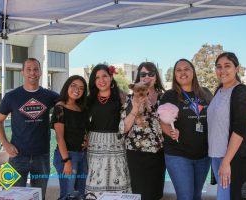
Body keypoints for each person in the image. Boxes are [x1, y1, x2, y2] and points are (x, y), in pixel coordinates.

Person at [0, 58, 59, 200]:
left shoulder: (50, 96)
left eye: (36, 69)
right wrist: (5, 144)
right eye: (28, 69)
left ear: (41, 72)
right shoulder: (11, 96)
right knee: (10, 196)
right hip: (16, 156)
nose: (32, 73)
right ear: (22, 72)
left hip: (42, 157)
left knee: (39, 196)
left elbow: (70, 104)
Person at [207, 52, 246, 200]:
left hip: (232, 158)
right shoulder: (219, 90)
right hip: (217, 155)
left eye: (227, 66)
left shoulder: (241, 91)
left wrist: (226, 162)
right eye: (219, 67)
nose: (222, 70)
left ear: (237, 68)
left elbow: (240, 130)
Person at [159, 59, 212, 200]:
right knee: (186, 197)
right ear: (175, 75)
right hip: (178, 154)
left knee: (196, 196)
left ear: (193, 72)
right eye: (178, 70)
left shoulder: (205, 93)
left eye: (186, 69)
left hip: (203, 155)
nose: (183, 72)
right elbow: (162, 121)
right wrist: (170, 132)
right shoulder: (170, 95)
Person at [119, 62, 166, 200]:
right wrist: (134, 109)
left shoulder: (165, 98)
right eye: (143, 74)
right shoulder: (129, 99)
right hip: (136, 153)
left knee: (155, 193)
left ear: (156, 77)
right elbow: (123, 128)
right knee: (139, 194)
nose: (147, 77)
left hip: (159, 154)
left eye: (151, 74)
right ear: (138, 77)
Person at [85, 64, 131, 198]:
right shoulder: (89, 99)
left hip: (116, 144)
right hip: (94, 144)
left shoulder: (122, 97)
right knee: (96, 179)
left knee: (118, 177)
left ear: (111, 77)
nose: (101, 80)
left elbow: (129, 121)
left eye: (104, 76)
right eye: (97, 77)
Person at [52, 75, 90, 199]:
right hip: (67, 156)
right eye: (74, 85)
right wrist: (66, 161)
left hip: (82, 156)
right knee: (68, 195)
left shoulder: (82, 109)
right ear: (67, 86)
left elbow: (85, 130)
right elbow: (59, 137)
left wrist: (86, 141)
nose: (77, 90)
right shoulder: (60, 108)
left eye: (81, 88)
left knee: (80, 194)